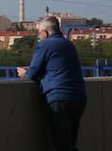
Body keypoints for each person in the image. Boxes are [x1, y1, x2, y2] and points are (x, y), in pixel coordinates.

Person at [16, 16, 86, 151]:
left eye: (39, 33)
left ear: (46, 33)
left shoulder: (45, 45)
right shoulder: (69, 44)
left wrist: (24, 73)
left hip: (59, 98)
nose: (38, 36)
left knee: (62, 144)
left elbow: (32, 74)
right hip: (78, 97)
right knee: (70, 142)